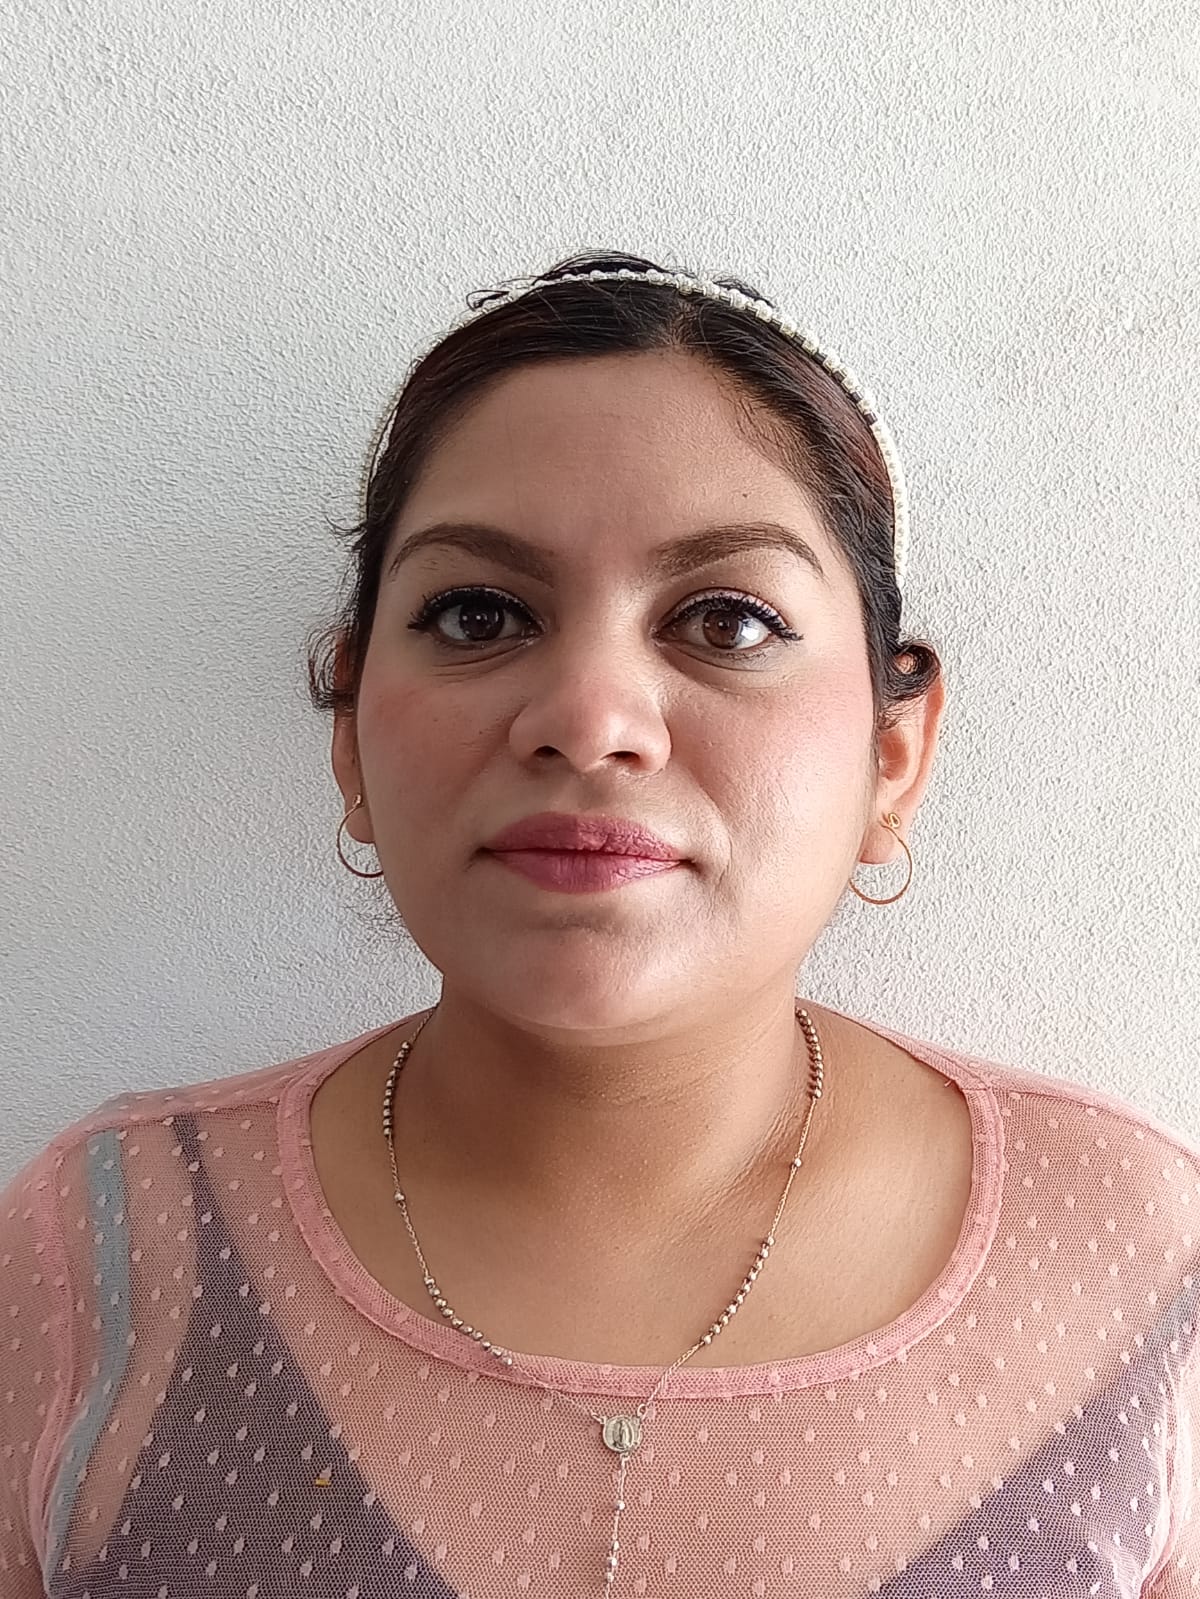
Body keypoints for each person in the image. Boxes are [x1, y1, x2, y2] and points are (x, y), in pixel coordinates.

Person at [1, 252, 1197, 1599]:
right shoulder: (105, 1244)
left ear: (893, 755)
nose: (588, 718)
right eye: (479, 613)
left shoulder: (1133, 1253)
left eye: (726, 621)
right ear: (350, 737)